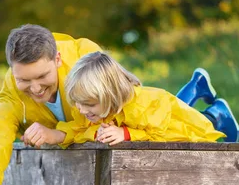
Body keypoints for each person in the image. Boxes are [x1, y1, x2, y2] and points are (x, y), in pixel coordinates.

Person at [0, 24, 239, 185]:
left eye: (42, 76)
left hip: (133, 116)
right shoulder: (12, 91)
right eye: (24, 79)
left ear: (57, 59)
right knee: (166, 115)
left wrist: (59, 134)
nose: (34, 88)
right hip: (105, 128)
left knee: (174, 123)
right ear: (12, 70)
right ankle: (198, 88)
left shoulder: (85, 61)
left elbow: (131, 111)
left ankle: (214, 114)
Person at [52, 51, 225, 146]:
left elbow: (165, 135)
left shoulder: (140, 109)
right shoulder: (90, 108)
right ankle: (197, 84)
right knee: (180, 106)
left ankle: (218, 114)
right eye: (77, 103)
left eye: (88, 104)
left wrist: (126, 133)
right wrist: (95, 132)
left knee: (195, 125)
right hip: (161, 114)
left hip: (173, 125)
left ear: (111, 97)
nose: (80, 110)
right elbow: (78, 129)